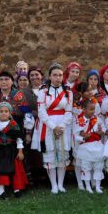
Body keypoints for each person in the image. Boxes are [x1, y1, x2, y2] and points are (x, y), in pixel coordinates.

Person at [31, 64, 73, 194]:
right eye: (55, 75)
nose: (58, 78)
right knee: (50, 154)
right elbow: (41, 111)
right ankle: (53, 185)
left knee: (62, 155)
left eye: (60, 75)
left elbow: (69, 111)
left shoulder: (68, 92)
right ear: (49, 76)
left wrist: (62, 126)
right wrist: (53, 127)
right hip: (48, 125)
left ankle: (60, 184)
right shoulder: (43, 92)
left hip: (63, 125)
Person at [0, 101, 28, 199]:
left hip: (11, 150)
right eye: (1, 111)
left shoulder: (13, 124)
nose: (4, 113)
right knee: (0, 170)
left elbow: (19, 138)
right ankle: (1, 190)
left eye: (6, 111)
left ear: (10, 113)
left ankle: (17, 189)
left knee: (15, 170)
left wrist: (20, 151)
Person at [74, 99, 105, 194]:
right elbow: (74, 135)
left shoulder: (98, 119)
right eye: (90, 109)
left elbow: (103, 130)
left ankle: (98, 186)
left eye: (94, 109)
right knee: (86, 167)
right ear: (83, 109)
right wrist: (83, 137)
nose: (92, 111)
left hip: (97, 146)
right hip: (85, 147)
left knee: (98, 167)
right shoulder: (79, 120)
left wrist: (101, 132)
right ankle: (87, 186)